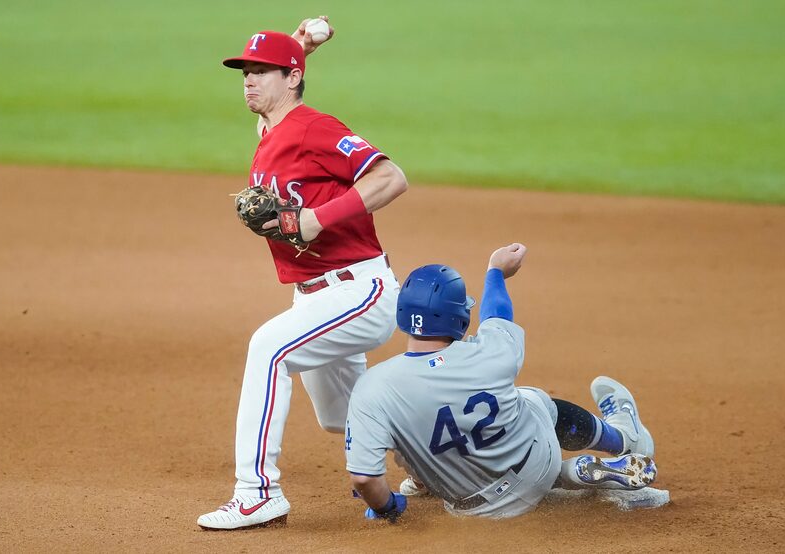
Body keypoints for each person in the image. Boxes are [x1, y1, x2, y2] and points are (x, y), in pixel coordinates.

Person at [197, 18, 408, 530]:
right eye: (245, 71)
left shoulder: (315, 127)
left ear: (290, 79)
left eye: (262, 71)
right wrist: (301, 48)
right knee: (344, 416)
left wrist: (316, 218)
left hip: (361, 288)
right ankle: (443, 459)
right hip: (314, 296)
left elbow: (391, 177)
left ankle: (257, 493)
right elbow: (280, 104)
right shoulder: (269, 130)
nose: (248, 79)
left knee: (268, 349)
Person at [344, 244, 657, 520]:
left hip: (473, 508)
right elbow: (498, 313)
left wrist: (388, 508)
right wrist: (495, 271)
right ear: (460, 317)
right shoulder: (490, 353)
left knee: (406, 434)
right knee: (534, 400)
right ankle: (625, 440)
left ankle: (429, 479)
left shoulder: (373, 388)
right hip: (536, 466)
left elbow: (364, 479)